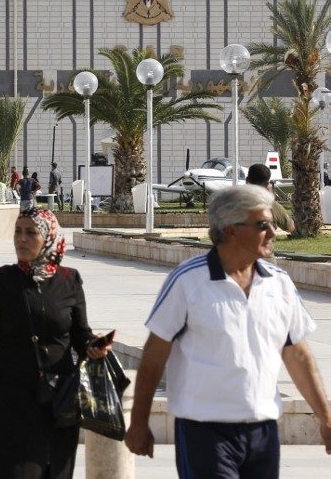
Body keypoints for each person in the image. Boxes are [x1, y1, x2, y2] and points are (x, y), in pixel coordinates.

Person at [125, 185, 331, 475]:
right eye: (262, 225)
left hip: (263, 432)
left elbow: (297, 354)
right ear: (231, 230)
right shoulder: (187, 282)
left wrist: (326, 417)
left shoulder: (279, 283)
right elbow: (154, 356)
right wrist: (138, 421)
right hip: (204, 433)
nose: (273, 232)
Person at [0, 208, 112, 477]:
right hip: (10, 403)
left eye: (31, 232)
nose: (22, 239)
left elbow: (79, 335)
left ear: (48, 237)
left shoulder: (69, 281)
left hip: (59, 403)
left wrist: (93, 345)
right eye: (18, 231)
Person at [246, 162, 295, 234]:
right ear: (266, 184)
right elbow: (290, 227)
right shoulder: (271, 205)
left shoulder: (231, 202)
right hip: (261, 244)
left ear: (247, 180)